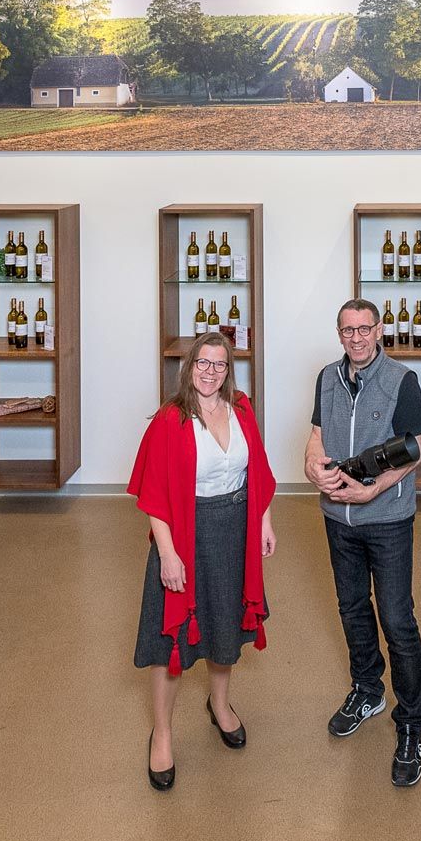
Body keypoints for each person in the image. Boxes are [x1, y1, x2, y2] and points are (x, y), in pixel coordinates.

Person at [128, 332, 278, 792]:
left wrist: (264, 523)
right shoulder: (169, 421)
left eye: (219, 364)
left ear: (229, 369)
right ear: (189, 367)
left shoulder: (243, 410)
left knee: (223, 625)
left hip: (234, 531)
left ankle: (220, 705)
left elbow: (260, 473)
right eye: (203, 363)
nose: (211, 371)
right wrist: (168, 554)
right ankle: (163, 732)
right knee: (169, 639)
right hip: (184, 536)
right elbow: (153, 495)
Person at [304, 298, 421, 787]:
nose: (356, 338)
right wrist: (312, 466)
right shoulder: (325, 379)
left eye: (364, 329)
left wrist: (372, 488)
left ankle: (412, 722)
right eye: (347, 330)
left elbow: (414, 450)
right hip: (338, 517)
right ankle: (367, 688)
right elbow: (316, 436)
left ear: (379, 330)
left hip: (388, 517)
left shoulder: (403, 380)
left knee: (397, 619)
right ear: (339, 334)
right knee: (352, 607)